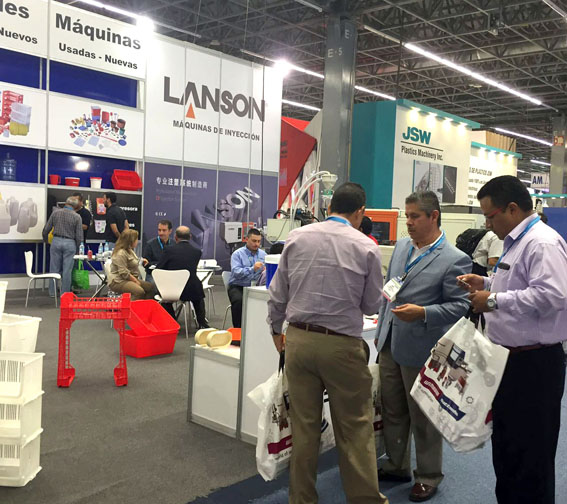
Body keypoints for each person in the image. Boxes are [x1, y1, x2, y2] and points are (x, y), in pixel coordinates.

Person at [268, 182, 388, 504]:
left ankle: (301, 499)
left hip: (298, 340)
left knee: (304, 429)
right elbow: (371, 306)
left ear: (330, 205)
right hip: (341, 346)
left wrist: (276, 332)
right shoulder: (366, 246)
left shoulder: (296, 237)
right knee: (354, 428)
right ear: (360, 212)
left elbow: (277, 294)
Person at [457, 175, 567, 504]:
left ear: (513, 209)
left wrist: (492, 300)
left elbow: (553, 295)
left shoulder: (542, 243)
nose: (487, 225)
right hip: (507, 361)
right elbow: (518, 283)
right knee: (507, 449)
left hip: (534, 365)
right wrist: (486, 282)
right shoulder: (516, 242)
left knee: (531, 456)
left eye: (490, 216)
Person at [375, 191, 471, 503]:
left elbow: (460, 305)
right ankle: (397, 464)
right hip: (389, 341)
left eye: (415, 216)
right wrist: (381, 327)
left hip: (422, 348)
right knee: (392, 408)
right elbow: (390, 290)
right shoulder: (402, 246)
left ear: (434, 216)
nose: (409, 222)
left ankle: (428, 475)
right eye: (407, 216)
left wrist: (424, 313)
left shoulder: (454, 258)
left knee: (424, 416)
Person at [156, 226, 209, 328]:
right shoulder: (197, 252)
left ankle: (173, 321)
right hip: (191, 291)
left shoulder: (168, 250)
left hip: (172, 290)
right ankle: (202, 322)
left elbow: (159, 269)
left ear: (175, 237)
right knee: (198, 293)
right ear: (190, 237)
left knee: (163, 297)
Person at [42, 196, 83, 295]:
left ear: (66, 203)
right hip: (70, 243)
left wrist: (46, 240)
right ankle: (65, 294)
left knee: (54, 268)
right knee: (67, 270)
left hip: (56, 241)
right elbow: (79, 236)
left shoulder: (55, 213)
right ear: (75, 206)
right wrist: (77, 248)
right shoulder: (77, 217)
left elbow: (46, 229)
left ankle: (52, 292)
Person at [227, 228, 266, 328]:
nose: (256, 244)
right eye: (254, 241)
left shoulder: (263, 255)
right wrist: (252, 269)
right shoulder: (237, 254)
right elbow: (236, 272)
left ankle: (259, 328)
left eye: (259, 241)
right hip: (238, 286)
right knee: (239, 301)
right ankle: (238, 330)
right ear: (246, 239)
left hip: (257, 286)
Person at [108, 229, 154, 301]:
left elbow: (133, 262)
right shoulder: (120, 253)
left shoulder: (130, 250)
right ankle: (128, 307)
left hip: (129, 278)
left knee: (150, 287)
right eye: (136, 239)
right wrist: (135, 281)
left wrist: (142, 261)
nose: (137, 241)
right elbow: (123, 272)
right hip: (119, 281)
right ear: (131, 241)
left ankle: (144, 306)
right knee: (139, 291)